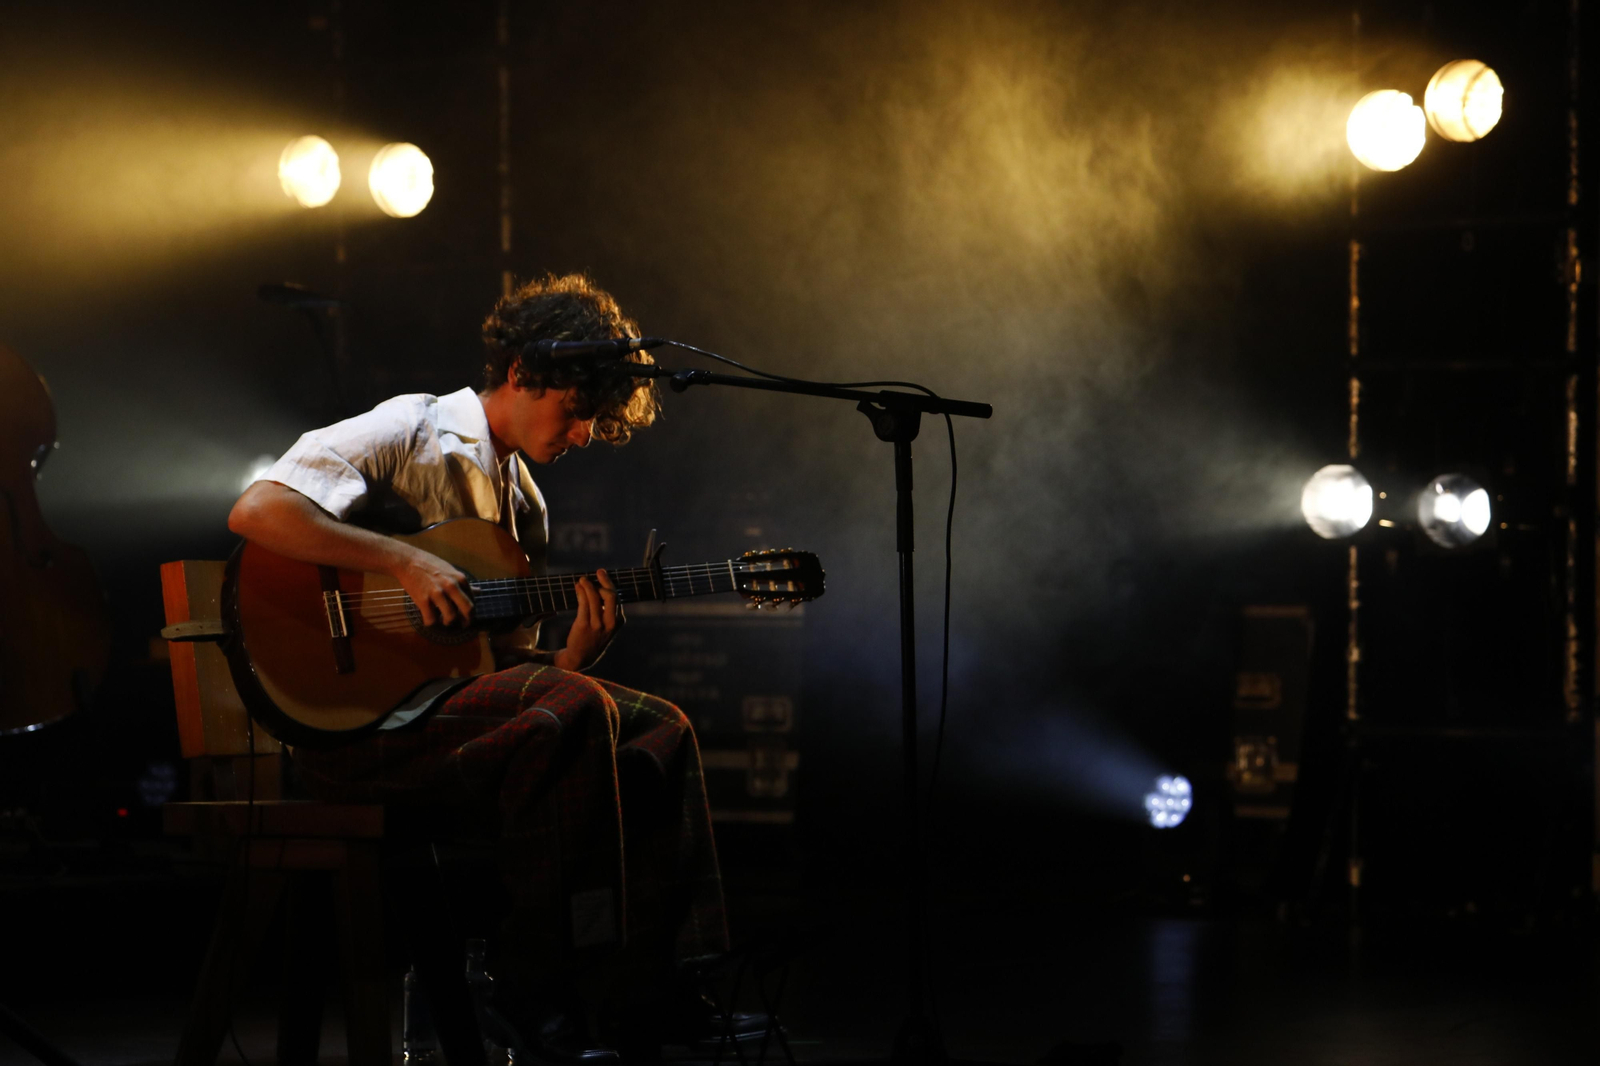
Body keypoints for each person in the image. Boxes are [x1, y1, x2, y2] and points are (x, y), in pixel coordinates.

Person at [228, 273, 749, 1061]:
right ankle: (536, 984)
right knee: (574, 708)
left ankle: (661, 981)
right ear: (520, 374)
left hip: (444, 723)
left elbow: (500, 668)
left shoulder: (525, 506)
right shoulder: (414, 426)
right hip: (348, 729)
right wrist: (401, 560)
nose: (581, 437)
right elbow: (258, 510)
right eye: (577, 411)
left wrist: (570, 657)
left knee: (659, 730)